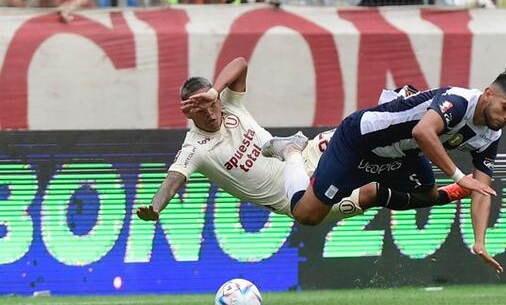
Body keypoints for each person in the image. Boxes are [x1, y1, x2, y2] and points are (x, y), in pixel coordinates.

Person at [136, 58, 470, 225]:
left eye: (211, 102)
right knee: (370, 193)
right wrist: (156, 207)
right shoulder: (195, 147)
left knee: (365, 133)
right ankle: (447, 193)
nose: (210, 111)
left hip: (312, 151)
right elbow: (173, 180)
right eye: (201, 107)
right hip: (296, 194)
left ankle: (412, 109)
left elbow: (239, 63)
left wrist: (214, 90)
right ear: (188, 113)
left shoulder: (229, 105)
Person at [262, 70, 506, 273]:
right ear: (488, 94)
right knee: (306, 215)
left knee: (427, 194)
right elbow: (423, 132)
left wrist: (480, 241)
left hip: (400, 155)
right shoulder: (459, 101)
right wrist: (460, 179)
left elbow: (482, 189)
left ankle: (375, 193)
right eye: (505, 108)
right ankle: (292, 151)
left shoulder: (491, 134)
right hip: (359, 140)